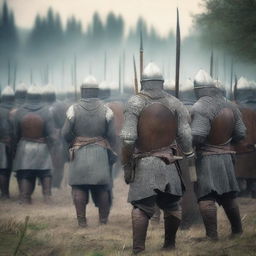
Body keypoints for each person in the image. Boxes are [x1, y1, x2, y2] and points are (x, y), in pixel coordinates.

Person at [121, 62, 194, 254]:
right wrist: (189, 155)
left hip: (144, 163)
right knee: (171, 205)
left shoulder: (135, 102)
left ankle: (139, 249)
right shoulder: (175, 102)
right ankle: (169, 245)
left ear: (144, 82)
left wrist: (127, 165)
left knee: (141, 207)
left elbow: (128, 138)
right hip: (169, 163)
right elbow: (185, 136)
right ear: (161, 82)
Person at [191, 69, 246, 240]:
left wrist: (187, 138)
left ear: (198, 89)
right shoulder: (231, 105)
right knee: (228, 196)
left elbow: (199, 136)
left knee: (206, 196)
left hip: (207, 158)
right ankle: (237, 231)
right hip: (227, 157)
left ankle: (212, 236)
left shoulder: (201, 106)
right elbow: (240, 134)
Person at [62, 76, 117, 227]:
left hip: (78, 152)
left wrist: (75, 140)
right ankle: (103, 222)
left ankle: (82, 222)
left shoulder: (73, 109)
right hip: (100, 152)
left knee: (78, 187)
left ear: (83, 91)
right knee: (102, 188)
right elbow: (112, 135)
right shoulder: (107, 110)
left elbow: (65, 133)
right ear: (97, 91)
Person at [12, 85, 56, 204]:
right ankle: (47, 198)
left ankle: (25, 198)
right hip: (42, 147)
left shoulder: (20, 111)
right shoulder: (46, 111)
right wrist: (52, 146)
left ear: (28, 96)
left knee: (26, 172)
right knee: (45, 172)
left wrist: (14, 149)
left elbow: (15, 134)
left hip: (24, 147)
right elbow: (52, 134)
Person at [0, 86, 15, 199]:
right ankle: (5, 194)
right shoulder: (14, 111)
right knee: (4, 169)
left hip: (5, 143)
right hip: (5, 143)